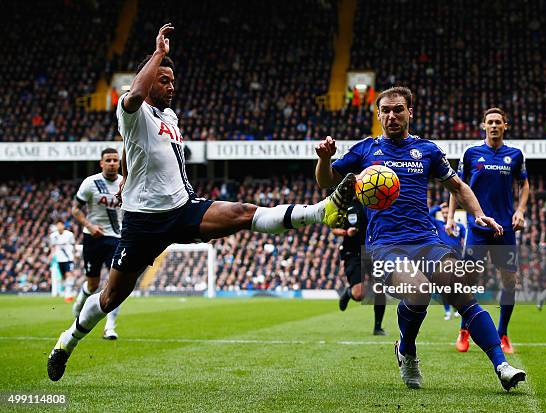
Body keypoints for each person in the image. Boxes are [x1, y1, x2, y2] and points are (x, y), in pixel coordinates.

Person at [47, 23, 356, 381]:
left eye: (172, 80)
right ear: (148, 82)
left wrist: (127, 179)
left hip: (182, 208)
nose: (171, 86)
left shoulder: (169, 117)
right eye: (164, 80)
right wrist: (159, 54)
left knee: (243, 213)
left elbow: (134, 155)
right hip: (143, 223)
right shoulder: (132, 110)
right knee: (110, 297)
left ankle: (323, 210)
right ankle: (66, 342)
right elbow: (133, 100)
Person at [316, 86, 526, 391]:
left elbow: (458, 186)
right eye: (385, 110)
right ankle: (407, 350)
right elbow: (325, 181)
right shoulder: (365, 150)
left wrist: (478, 213)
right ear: (378, 114)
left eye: (398, 109)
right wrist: (324, 159)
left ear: (409, 112)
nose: (391, 116)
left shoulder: (426, 150)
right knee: (417, 291)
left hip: (427, 241)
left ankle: (502, 365)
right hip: (385, 245)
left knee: (461, 287)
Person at [447, 107, 529, 354]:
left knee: (510, 281)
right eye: (489, 122)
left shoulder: (514, 155)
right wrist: (451, 217)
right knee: (468, 280)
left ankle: (503, 334)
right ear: (483, 126)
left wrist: (521, 210)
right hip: (478, 227)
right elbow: (457, 186)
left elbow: (525, 185)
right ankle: (464, 330)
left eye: (498, 122)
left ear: (506, 125)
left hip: (505, 228)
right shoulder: (472, 153)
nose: (494, 126)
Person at [71, 147, 123, 340]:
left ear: (119, 163)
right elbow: (75, 209)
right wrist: (89, 226)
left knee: (116, 285)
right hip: (93, 238)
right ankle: (79, 303)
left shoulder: (125, 183)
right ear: (101, 163)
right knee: (92, 285)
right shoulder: (90, 183)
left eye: (115, 160)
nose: (111, 163)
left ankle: (110, 327)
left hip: (117, 239)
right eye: (108, 160)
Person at [334, 199, 386, 335]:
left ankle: (378, 327)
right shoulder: (345, 205)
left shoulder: (377, 203)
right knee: (359, 295)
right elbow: (333, 229)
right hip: (353, 253)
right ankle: (349, 293)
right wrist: (346, 233)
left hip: (373, 252)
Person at [428, 203, 465, 320]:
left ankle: (456, 309)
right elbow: (427, 215)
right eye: (443, 213)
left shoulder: (460, 227)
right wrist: (438, 207)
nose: (444, 215)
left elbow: (464, 242)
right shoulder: (439, 224)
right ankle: (448, 311)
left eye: (447, 213)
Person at [49, 221, 76, 302]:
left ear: (63, 226)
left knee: (69, 274)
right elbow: (52, 246)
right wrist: (51, 254)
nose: (59, 227)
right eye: (58, 225)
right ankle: (65, 292)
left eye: (61, 225)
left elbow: (73, 244)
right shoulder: (53, 236)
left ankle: (68, 294)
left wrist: (74, 254)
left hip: (68, 258)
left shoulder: (69, 234)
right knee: (63, 277)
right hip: (59, 259)